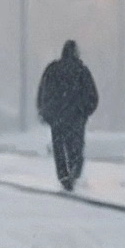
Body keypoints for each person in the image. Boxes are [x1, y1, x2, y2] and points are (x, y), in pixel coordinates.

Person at [36, 39, 99, 190]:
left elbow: (43, 92)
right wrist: (85, 111)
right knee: (75, 146)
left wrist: (45, 112)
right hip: (76, 116)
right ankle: (74, 172)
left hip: (57, 117)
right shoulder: (81, 71)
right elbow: (93, 95)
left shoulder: (52, 69)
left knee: (59, 147)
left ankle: (63, 175)